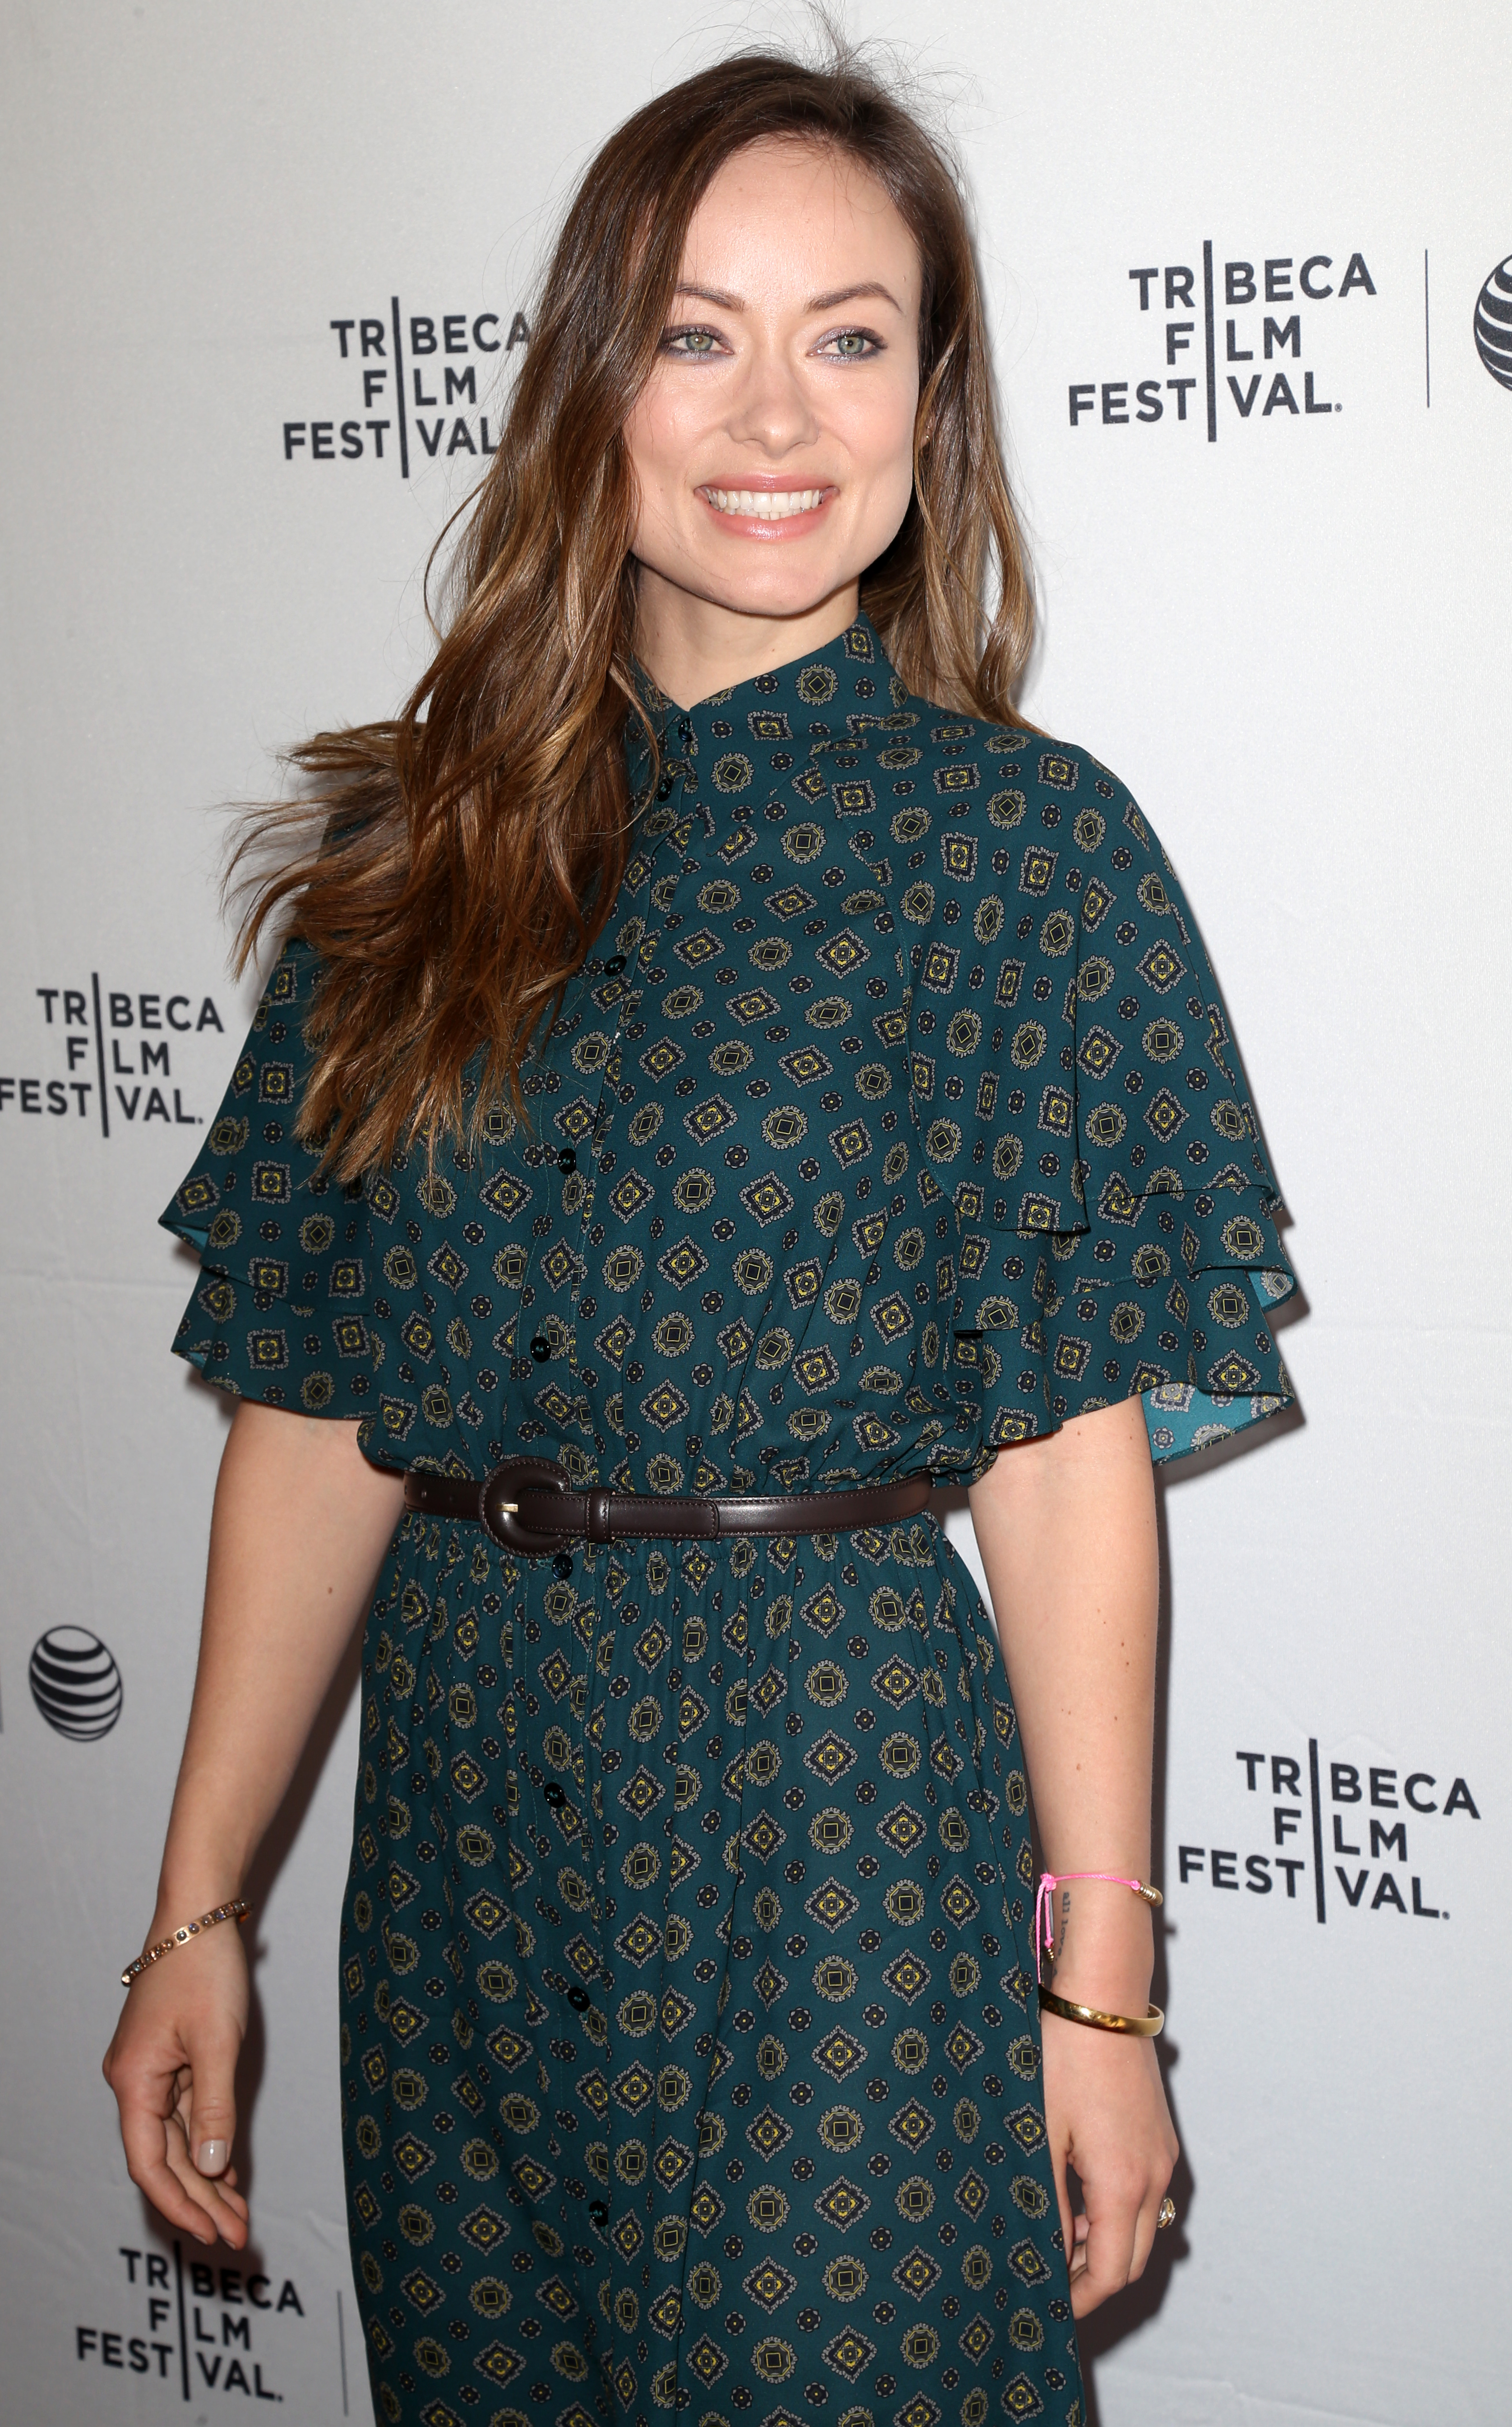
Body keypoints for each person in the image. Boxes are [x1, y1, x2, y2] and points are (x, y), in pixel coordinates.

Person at [104, 43, 1296, 2427]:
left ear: (928, 401)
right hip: (453, 1836)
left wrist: (1101, 1999)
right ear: (595, 385)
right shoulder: (408, 858)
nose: (776, 414)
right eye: (693, 332)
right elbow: (321, 1415)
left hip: (834, 1821)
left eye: (849, 337)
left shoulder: (1027, 855)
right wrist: (197, 1907)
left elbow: (1066, 1468)